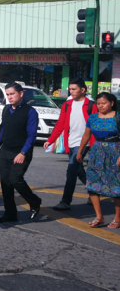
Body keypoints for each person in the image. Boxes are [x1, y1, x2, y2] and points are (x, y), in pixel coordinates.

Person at [0, 82, 42, 223]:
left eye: (12, 94)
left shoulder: (30, 112)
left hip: (21, 152)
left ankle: (34, 201)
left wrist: (23, 153)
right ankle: (10, 213)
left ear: (21, 93)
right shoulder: (6, 109)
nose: (9, 97)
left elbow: (31, 136)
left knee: (15, 179)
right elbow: (3, 130)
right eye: (7, 95)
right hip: (5, 151)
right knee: (5, 183)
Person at [44, 78, 97, 211]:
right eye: (70, 89)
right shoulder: (67, 105)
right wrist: (50, 140)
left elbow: (96, 126)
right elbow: (60, 124)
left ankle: (65, 201)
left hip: (84, 143)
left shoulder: (91, 105)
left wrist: (96, 144)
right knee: (78, 170)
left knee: (71, 171)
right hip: (70, 143)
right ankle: (94, 192)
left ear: (83, 90)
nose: (71, 92)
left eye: (74, 89)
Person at [76, 92, 120, 228]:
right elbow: (86, 136)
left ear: (111, 103)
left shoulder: (118, 117)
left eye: (104, 103)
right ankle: (99, 217)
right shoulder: (93, 118)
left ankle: (118, 218)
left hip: (115, 151)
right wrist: (80, 151)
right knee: (93, 184)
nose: (101, 106)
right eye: (98, 104)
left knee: (115, 186)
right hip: (96, 153)